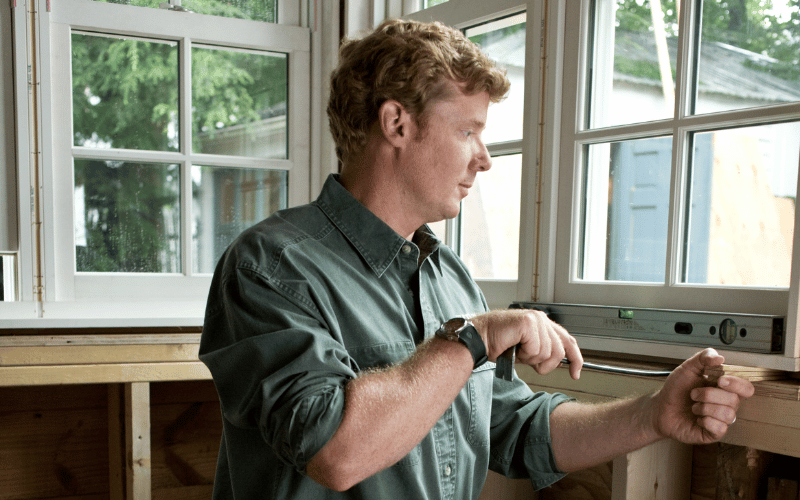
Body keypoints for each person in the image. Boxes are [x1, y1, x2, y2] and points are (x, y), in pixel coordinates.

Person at [199, 18, 754, 499]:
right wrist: (473, 338)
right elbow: (335, 453)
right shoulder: (269, 266)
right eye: (468, 130)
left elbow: (515, 428)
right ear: (397, 123)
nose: (484, 159)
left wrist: (653, 413)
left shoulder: (449, 277)